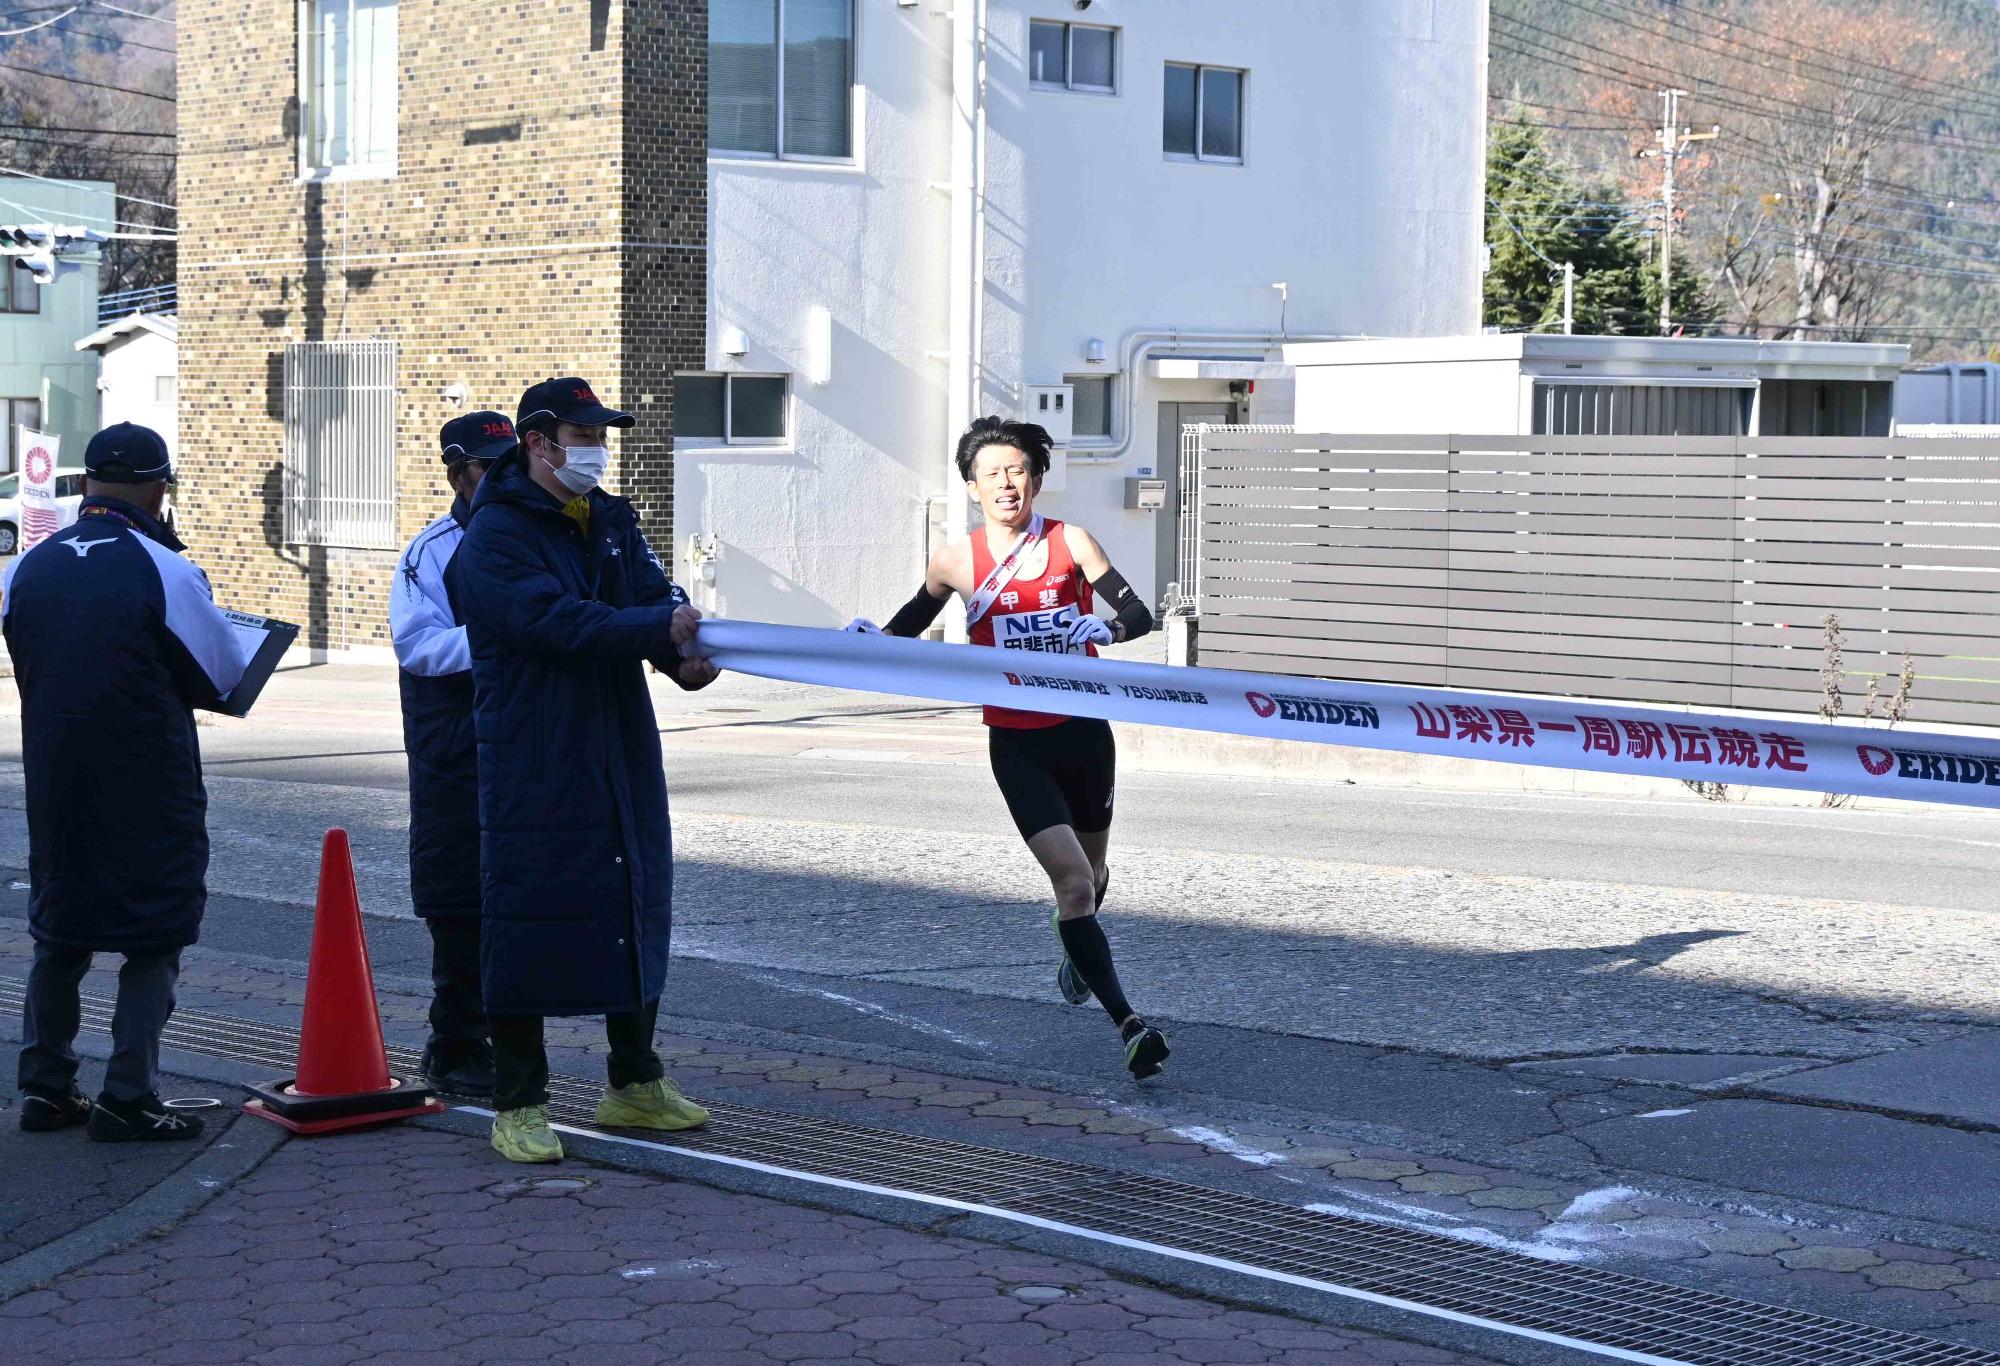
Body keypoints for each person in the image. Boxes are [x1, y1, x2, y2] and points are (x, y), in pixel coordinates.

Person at [446, 377, 719, 1164]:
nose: (597, 450)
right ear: (538, 443)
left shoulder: (606, 519)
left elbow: (646, 597)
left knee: (635, 897)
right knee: (528, 915)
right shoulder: (493, 536)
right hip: (533, 750)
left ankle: (633, 1081)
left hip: (618, 741)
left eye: (601, 435)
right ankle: (520, 1100)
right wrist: (655, 627)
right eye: (583, 435)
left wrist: (682, 660)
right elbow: (553, 621)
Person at [848, 417, 1167, 1079]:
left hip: (1084, 734)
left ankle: (1076, 944)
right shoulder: (956, 561)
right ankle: (1130, 1026)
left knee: (1094, 880)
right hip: (1017, 746)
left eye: (1016, 470)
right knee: (1074, 888)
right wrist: (863, 640)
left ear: (1037, 479)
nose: (1005, 483)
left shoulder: (1072, 542)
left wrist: (1101, 623)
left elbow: (1138, 615)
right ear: (971, 487)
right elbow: (905, 627)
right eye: (991, 473)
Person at [5, 422, 247, 1140]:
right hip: (147, 782)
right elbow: (226, 674)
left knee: (61, 929)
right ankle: (128, 1096)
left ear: (85, 484)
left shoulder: (28, 568)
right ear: (159, 489)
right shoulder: (165, 569)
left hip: (56, 774)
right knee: (153, 932)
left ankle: (45, 1088)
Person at [390, 411, 516, 1098]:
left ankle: (504, 1037)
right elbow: (419, 646)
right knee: (460, 903)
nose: (502, 479)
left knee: (517, 899)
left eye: (510, 464)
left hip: (522, 744)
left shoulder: (535, 535)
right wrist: (504, 638)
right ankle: (455, 1043)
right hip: (454, 748)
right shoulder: (431, 551)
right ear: (459, 473)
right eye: (489, 467)